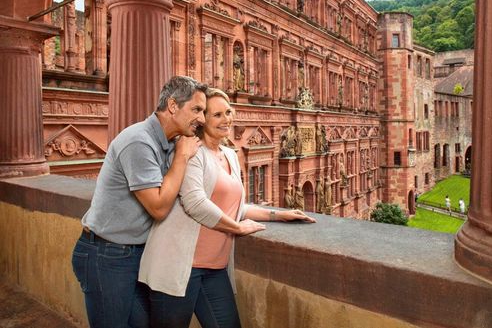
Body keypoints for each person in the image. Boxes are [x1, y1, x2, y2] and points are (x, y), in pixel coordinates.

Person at [139, 88, 316, 328]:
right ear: (202, 121)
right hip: (179, 265)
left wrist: (279, 214)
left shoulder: (230, 154)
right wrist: (236, 228)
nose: (227, 120)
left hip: (214, 268)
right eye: (217, 115)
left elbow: (235, 206)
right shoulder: (193, 153)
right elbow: (195, 203)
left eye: (229, 113)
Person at [71, 76, 207, 328]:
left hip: (134, 254)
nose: (203, 119)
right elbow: (158, 207)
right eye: (197, 109)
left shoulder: (169, 142)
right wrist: (182, 158)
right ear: (173, 105)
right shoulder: (138, 140)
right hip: (106, 255)